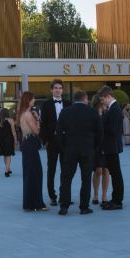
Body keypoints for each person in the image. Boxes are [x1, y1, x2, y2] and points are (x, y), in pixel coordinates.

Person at [56, 90, 102, 215]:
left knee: (66, 178)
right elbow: (99, 133)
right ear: (85, 99)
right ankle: (84, 207)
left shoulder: (65, 112)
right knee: (86, 178)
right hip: (87, 150)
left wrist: (64, 147)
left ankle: (64, 206)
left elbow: (59, 133)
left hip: (70, 150)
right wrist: (93, 146)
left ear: (74, 99)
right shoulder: (92, 112)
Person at [39, 79, 71, 207]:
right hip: (52, 142)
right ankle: (52, 196)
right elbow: (43, 124)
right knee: (51, 170)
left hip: (66, 142)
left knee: (66, 170)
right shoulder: (46, 105)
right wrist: (45, 141)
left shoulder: (69, 104)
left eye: (60, 88)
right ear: (51, 90)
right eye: (56, 88)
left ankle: (64, 196)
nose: (58, 90)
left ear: (62, 90)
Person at [17, 92, 47, 211]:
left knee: (30, 173)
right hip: (30, 144)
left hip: (27, 144)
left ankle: (30, 203)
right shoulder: (28, 115)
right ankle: (36, 203)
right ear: (28, 100)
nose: (34, 100)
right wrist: (38, 119)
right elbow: (37, 131)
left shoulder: (22, 114)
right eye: (33, 99)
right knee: (35, 173)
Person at [98, 86, 125, 210]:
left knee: (116, 174)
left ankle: (117, 201)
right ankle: (115, 199)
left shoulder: (114, 109)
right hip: (110, 146)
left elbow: (113, 129)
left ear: (108, 97)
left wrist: (102, 122)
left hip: (112, 146)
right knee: (115, 174)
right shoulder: (112, 108)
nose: (102, 102)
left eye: (103, 99)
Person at [91, 94, 109, 206]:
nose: (103, 101)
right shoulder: (92, 113)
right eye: (101, 100)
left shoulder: (108, 112)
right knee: (98, 170)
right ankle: (95, 194)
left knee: (106, 170)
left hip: (107, 145)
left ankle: (104, 195)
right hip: (95, 145)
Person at [0, 108, 16, 177]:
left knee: (4, 154)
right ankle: (6, 171)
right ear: (7, 113)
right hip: (9, 139)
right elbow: (13, 131)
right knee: (9, 154)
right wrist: (15, 139)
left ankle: (8, 168)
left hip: (2, 139)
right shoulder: (11, 120)